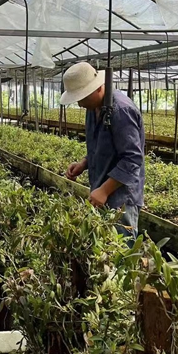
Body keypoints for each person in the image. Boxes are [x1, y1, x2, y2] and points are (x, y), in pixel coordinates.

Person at [61, 62, 145, 237]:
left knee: (121, 252)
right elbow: (102, 145)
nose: (79, 103)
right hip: (101, 191)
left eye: (82, 97)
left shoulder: (121, 110)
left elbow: (132, 159)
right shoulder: (93, 107)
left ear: (98, 89)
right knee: (103, 253)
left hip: (121, 197)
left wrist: (105, 190)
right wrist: (83, 163)